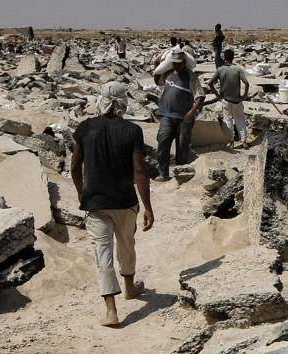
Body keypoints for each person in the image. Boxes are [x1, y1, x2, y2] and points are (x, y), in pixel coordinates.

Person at [71, 81, 155, 327]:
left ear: (100, 100)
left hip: (95, 201)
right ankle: (129, 288)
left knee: (102, 253)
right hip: (125, 201)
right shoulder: (132, 130)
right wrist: (147, 205)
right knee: (127, 245)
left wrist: (80, 192)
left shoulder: (85, 128)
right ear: (123, 103)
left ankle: (111, 310)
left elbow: (75, 166)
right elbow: (140, 170)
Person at [154, 50, 204, 181]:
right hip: (166, 115)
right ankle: (163, 173)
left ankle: (180, 173)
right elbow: (157, 81)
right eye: (174, 63)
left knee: (182, 145)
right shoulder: (168, 73)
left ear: (184, 63)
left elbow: (200, 96)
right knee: (163, 141)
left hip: (184, 118)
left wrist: (191, 113)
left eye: (179, 63)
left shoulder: (190, 76)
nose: (176, 66)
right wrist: (156, 66)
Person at [207, 49, 250, 146]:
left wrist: (217, 95)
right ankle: (243, 141)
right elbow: (246, 83)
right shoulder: (238, 69)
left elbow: (210, 83)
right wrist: (245, 95)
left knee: (228, 120)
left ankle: (231, 141)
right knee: (240, 120)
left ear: (224, 58)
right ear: (233, 57)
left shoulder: (220, 69)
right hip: (237, 100)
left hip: (225, 99)